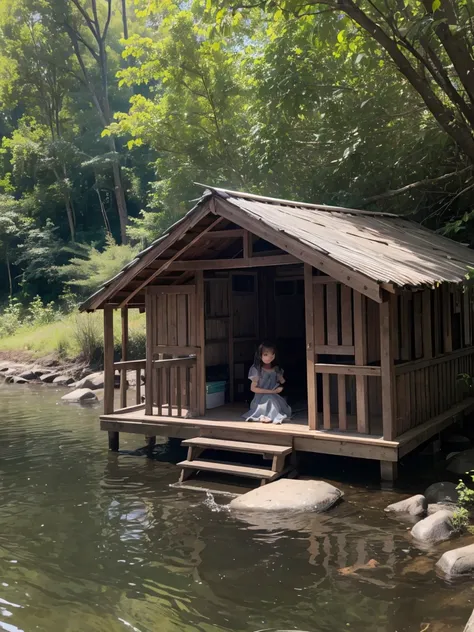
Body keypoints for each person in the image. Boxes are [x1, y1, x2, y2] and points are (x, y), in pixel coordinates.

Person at [243, 342, 292, 424]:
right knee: (268, 398)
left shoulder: (276, 368)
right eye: (265, 355)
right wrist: (271, 392)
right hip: (260, 398)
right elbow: (253, 388)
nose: (269, 358)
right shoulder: (256, 369)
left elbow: (283, 382)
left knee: (272, 399)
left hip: (275, 397)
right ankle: (266, 416)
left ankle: (270, 415)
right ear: (260, 355)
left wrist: (280, 377)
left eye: (272, 355)